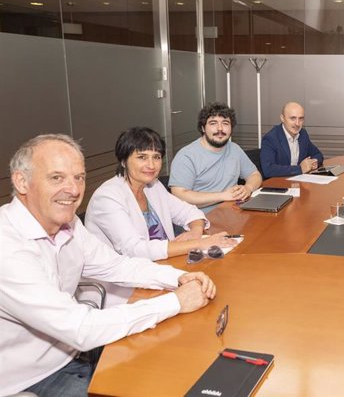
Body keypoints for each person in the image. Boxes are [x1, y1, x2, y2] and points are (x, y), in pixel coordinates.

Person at [0, 134, 217, 396]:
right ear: (21, 182)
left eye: (78, 177)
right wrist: (175, 302)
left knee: (181, 370)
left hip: (76, 352)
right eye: (56, 177)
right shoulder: (7, 246)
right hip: (34, 379)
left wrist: (180, 278)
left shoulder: (68, 224)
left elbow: (117, 266)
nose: (72, 189)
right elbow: (78, 328)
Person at [86, 127, 238, 306]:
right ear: (123, 161)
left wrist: (196, 232)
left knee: (220, 288)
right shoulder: (108, 197)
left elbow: (189, 212)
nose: (151, 165)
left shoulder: (152, 186)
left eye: (156, 157)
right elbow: (135, 250)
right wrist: (201, 243)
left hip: (162, 270)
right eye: (142, 157)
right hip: (122, 288)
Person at [169, 102, 262, 213]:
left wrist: (248, 188)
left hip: (234, 211)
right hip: (201, 219)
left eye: (225, 123)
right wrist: (223, 196)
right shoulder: (186, 156)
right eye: (213, 123)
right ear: (203, 128)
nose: (220, 128)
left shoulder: (234, 149)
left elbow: (254, 175)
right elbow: (180, 195)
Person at [260, 102, 324, 178]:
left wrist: (314, 162)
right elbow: (269, 169)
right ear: (282, 118)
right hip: (280, 184)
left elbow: (318, 154)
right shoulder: (271, 138)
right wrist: (300, 169)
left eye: (301, 119)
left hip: (299, 182)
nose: (297, 123)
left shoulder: (303, 134)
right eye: (293, 118)